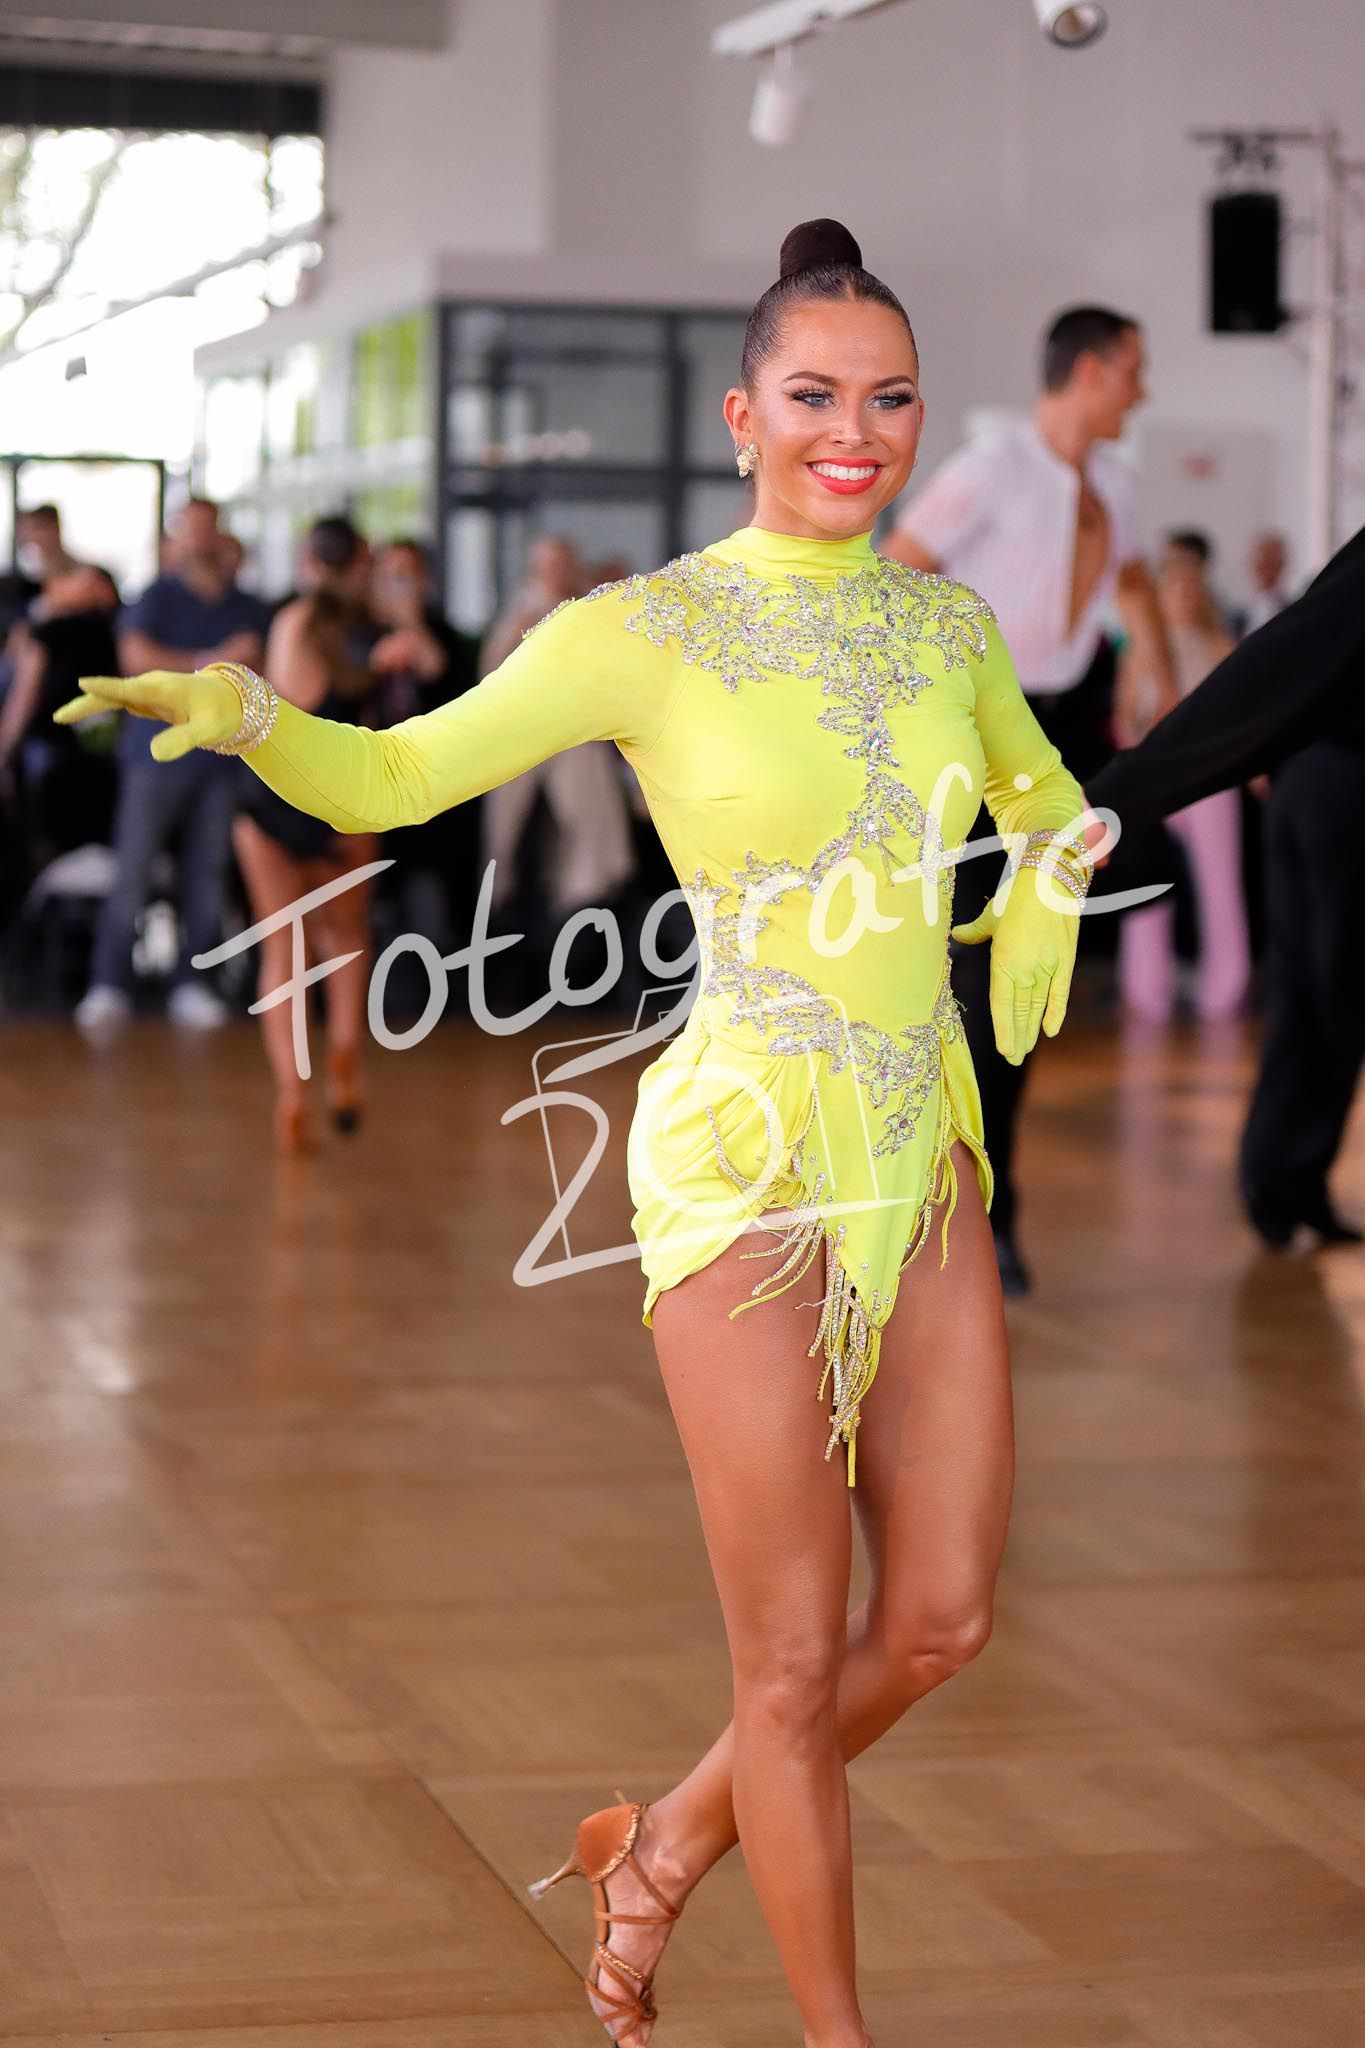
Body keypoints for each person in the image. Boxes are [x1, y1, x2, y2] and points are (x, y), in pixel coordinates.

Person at [57, 218, 1095, 2048]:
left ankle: (662, 1843)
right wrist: (250, 716)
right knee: (791, 1661)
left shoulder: (948, 624)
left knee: (941, 1618)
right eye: (814, 396)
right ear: (743, 416)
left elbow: (1038, 781)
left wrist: (1047, 874)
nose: (855, 433)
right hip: (745, 1159)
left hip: (917, 1146)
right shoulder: (645, 629)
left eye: (890, 400)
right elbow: (398, 774)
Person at [882, 303, 1181, 1294]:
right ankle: (956, 1214)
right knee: (968, 991)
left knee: (1020, 985)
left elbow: (1133, 587)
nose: (1140, 390)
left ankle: (985, 1212)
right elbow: (899, 572)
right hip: (972, 742)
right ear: (1089, 372)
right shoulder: (992, 467)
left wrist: (1167, 695)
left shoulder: (1118, 485)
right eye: (1132, 370)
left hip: (1063, 739)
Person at [1083, 522, 1365, 1251]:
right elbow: (1271, 678)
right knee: (1325, 993)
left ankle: (1285, 1182)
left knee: (1315, 991)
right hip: (1335, 788)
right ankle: (1280, 1181)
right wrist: (1112, 798)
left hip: (1310, 781)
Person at [75, 498, 268, 1034]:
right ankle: (109, 983)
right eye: (190, 528)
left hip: (222, 760)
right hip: (155, 757)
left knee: (207, 873)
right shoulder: (155, 596)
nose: (200, 538)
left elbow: (255, 664)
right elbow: (136, 660)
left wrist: (188, 665)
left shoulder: (246, 604)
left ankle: (192, 984)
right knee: (133, 870)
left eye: (208, 527)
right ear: (178, 536)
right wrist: (210, 661)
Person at [233, 515, 385, 1153]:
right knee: (345, 939)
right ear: (361, 563)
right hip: (340, 801)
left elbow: (277, 714)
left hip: (270, 803)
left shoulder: (291, 622)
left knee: (282, 954)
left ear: (309, 562)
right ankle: (344, 1054)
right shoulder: (373, 630)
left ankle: (291, 1094)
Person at [1115, 531, 1250, 1021]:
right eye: (1175, 588)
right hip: (1154, 781)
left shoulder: (1221, 646)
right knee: (1148, 885)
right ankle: (1147, 991)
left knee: (1220, 885)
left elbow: (1241, 716)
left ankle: (1225, 991)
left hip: (1211, 781)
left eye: (1193, 588)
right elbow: (1125, 718)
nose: (1185, 597)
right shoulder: (1139, 652)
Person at [0, 565, 120, 864]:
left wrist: (5, 747)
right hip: (92, 748)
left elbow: (24, 694)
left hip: (57, 749)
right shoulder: (113, 631)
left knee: (44, 840)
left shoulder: (53, 631)